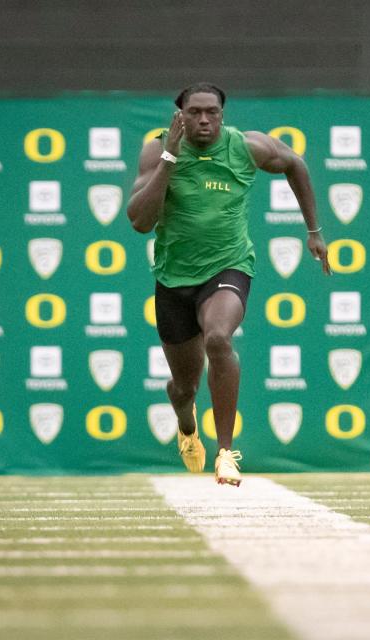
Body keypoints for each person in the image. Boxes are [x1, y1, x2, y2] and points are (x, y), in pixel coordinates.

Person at [127, 82, 330, 486]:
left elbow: (295, 163)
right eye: (195, 112)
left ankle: (225, 453)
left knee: (219, 340)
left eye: (212, 112)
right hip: (173, 279)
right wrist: (169, 155)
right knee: (184, 387)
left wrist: (314, 231)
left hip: (228, 267)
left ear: (223, 114)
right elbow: (140, 221)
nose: (204, 119)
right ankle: (187, 427)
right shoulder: (156, 149)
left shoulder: (246, 147)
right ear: (179, 115)